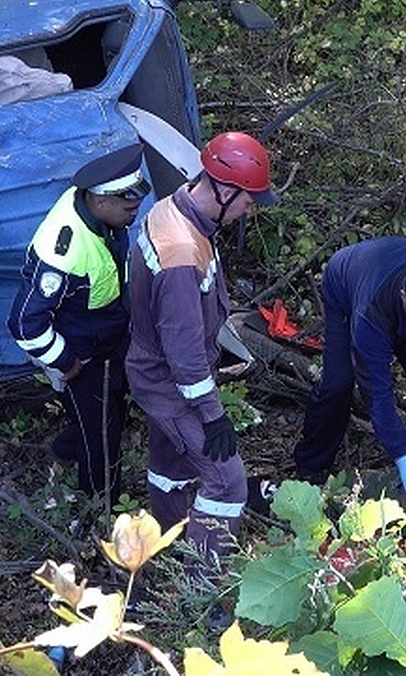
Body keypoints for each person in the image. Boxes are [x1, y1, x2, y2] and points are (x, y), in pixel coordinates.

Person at [125, 131, 277, 569]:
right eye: (249, 199)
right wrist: (213, 415)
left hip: (158, 375)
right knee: (228, 482)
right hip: (170, 384)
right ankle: (198, 589)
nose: (252, 208)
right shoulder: (180, 250)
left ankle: (167, 549)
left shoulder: (173, 212)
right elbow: (184, 352)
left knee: (170, 464)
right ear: (226, 191)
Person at [293, 237, 406, 507]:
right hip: (345, 287)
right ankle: (310, 469)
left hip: (394, 275)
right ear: (404, 295)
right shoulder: (371, 313)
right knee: (339, 384)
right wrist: (402, 455)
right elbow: (376, 390)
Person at [8, 143, 149, 503]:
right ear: (101, 202)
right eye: (129, 208)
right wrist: (65, 361)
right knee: (103, 436)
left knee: (111, 409)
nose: (136, 214)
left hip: (110, 332)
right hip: (84, 354)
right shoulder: (63, 251)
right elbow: (25, 323)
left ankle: (64, 452)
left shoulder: (99, 208)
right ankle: (102, 507)